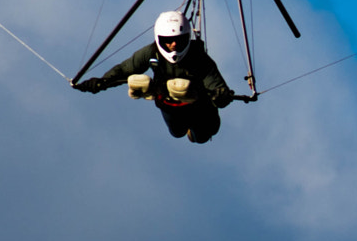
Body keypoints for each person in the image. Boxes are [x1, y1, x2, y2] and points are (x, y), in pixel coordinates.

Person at [74, 10, 237, 143]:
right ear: (160, 39)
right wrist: (101, 82)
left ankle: (197, 129)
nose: (173, 45)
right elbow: (124, 69)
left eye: (178, 40)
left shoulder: (198, 57)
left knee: (202, 135)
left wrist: (221, 95)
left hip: (199, 105)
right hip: (170, 104)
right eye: (169, 40)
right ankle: (180, 119)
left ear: (187, 38)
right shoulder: (152, 53)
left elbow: (216, 85)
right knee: (176, 130)